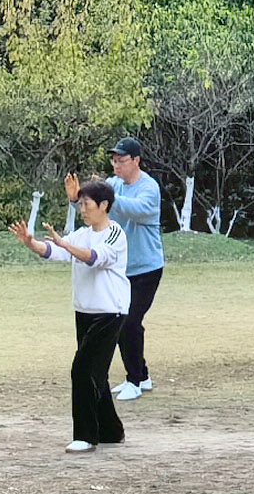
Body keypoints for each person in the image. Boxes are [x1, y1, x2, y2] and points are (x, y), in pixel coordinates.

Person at [16, 178, 133, 450]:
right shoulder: (82, 234)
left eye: (86, 205)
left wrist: (66, 245)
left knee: (82, 370)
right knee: (96, 374)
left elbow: (94, 258)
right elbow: (53, 251)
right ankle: (111, 431)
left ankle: (85, 436)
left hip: (110, 313)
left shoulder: (115, 234)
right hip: (84, 312)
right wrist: (31, 243)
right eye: (80, 205)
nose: (82, 210)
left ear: (104, 206)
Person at [104, 139, 167, 397]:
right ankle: (142, 376)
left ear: (136, 161)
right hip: (122, 268)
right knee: (123, 321)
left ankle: (134, 381)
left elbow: (137, 210)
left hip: (147, 269)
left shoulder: (149, 188)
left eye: (121, 160)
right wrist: (77, 197)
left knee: (129, 321)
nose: (116, 165)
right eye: (114, 161)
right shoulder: (113, 185)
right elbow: (95, 206)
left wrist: (108, 196)